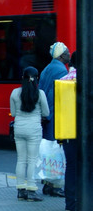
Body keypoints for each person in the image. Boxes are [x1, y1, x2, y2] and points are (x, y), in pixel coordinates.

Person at [10, 67, 49, 201]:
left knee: (21, 159)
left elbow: (13, 113)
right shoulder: (40, 94)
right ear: (36, 78)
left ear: (22, 78)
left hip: (19, 128)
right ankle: (31, 190)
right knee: (32, 159)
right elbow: (46, 113)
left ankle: (20, 190)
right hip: (34, 129)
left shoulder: (15, 93)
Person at [39, 41, 70, 198]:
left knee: (48, 151)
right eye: (67, 52)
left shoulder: (48, 68)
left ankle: (47, 185)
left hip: (47, 117)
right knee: (56, 152)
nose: (69, 55)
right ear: (62, 55)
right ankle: (56, 185)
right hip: (55, 117)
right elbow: (57, 96)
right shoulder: (60, 71)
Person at [59, 51, 78, 211]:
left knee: (70, 166)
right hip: (84, 132)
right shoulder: (86, 79)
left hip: (67, 131)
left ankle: (70, 202)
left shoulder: (63, 81)